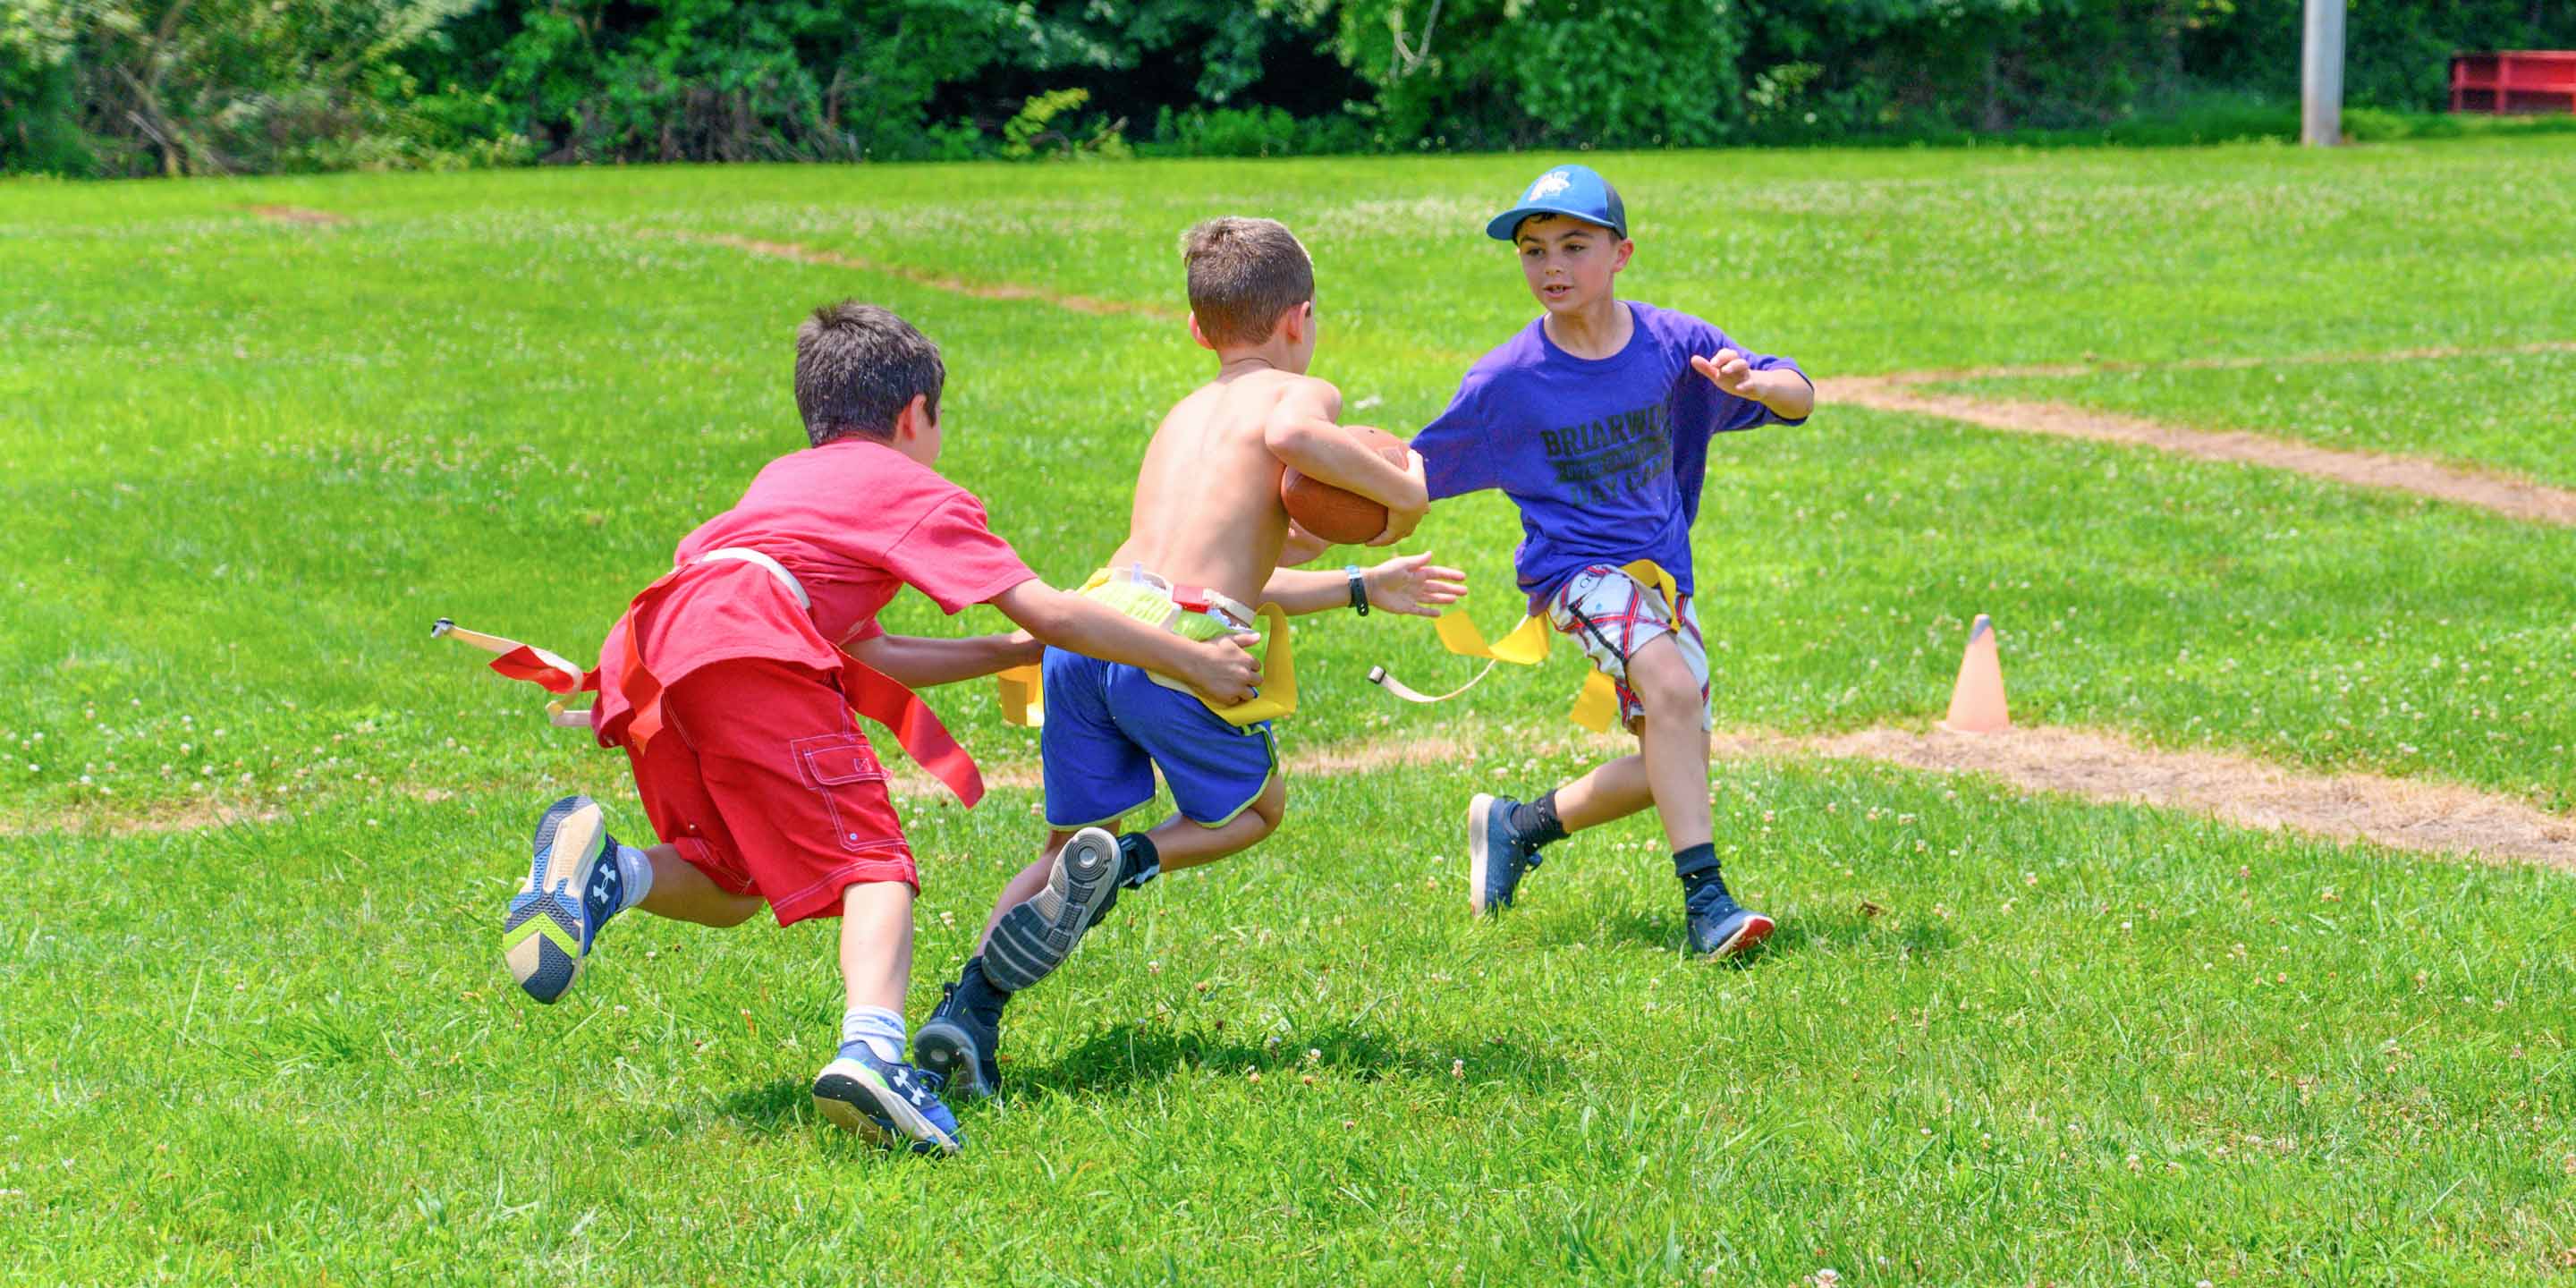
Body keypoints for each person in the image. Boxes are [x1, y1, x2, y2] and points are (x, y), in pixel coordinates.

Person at [496, 301, 1262, 1155]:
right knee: (875, 868)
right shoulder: (909, 486)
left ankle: (608, 871)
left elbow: (873, 650)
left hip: (667, 645)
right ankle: (873, 1054)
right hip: (755, 641)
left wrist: (1005, 651)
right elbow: (1052, 609)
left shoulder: (785, 478)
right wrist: (1193, 663)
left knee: (733, 880)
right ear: (914, 415)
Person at [911, 216, 1463, 1098]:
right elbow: (1296, 444)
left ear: (1200, 330)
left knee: (1061, 847)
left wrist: (1364, 581)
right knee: (1255, 811)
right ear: (1300, 318)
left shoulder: (1182, 415)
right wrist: (1408, 491)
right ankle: (1125, 869)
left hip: (1093, 632)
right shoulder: (1301, 391)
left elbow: (1230, 569)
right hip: (1176, 654)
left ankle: (965, 1011)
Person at [1410, 165, 1817, 960]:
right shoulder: (1506, 381)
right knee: (1668, 689)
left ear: (1621, 253)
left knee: (1677, 760)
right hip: (1573, 574)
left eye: (1573, 245)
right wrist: (1307, 515)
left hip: (1660, 578)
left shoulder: (1677, 347)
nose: (1551, 266)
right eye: (1532, 250)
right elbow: (1413, 476)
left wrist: (1757, 382)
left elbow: (1801, 394)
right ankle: (1708, 906)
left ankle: (1518, 826)